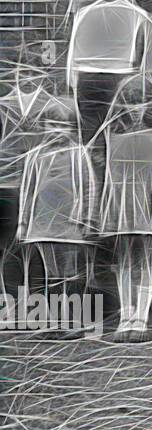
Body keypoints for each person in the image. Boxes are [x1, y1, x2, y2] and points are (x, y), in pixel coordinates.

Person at [97, 77, 152, 340]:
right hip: (121, 202)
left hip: (149, 201)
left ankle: (142, 317)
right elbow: (105, 171)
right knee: (124, 259)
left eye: (141, 102)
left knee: (146, 258)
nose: (135, 108)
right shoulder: (110, 132)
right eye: (130, 102)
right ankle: (126, 315)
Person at [13, 98, 95, 320]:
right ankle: (57, 320)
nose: (58, 130)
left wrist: (85, 218)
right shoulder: (35, 156)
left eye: (64, 126)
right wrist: (23, 222)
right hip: (42, 223)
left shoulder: (78, 154)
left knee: (70, 272)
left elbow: (88, 188)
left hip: (69, 225)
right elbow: (28, 191)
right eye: (53, 125)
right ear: (44, 126)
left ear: (72, 128)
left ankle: (75, 320)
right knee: (52, 274)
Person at [67, 0, 149, 140]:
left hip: (119, 79)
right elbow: (73, 53)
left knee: (117, 131)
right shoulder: (82, 13)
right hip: (87, 80)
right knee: (89, 135)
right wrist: (73, 82)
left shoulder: (138, 15)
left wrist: (134, 85)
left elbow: (142, 55)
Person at [0, 43, 62, 252]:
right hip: (8, 180)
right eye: (23, 71)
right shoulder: (3, 105)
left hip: (39, 183)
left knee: (33, 246)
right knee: (6, 239)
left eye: (32, 72)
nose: (27, 77)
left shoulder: (53, 106)